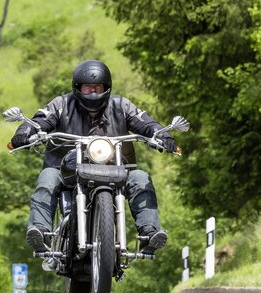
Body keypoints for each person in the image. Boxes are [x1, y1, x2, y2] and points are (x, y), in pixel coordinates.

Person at [10, 59, 176, 254]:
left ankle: (149, 233)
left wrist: (162, 135)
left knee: (140, 178)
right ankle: (40, 231)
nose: (93, 92)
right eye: (88, 88)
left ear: (107, 87)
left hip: (116, 170)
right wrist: (25, 131)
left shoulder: (121, 106)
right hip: (66, 171)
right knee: (47, 177)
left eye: (97, 87)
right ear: (78, 88)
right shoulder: (61, 104)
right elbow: (39, 120)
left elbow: (146, 122)